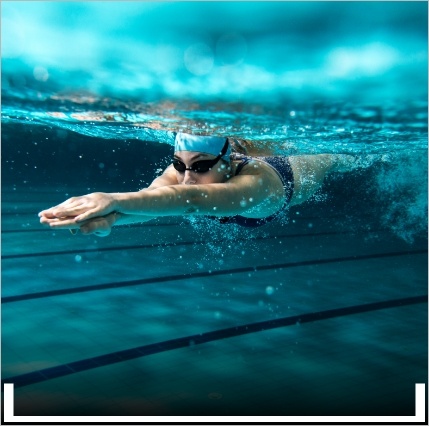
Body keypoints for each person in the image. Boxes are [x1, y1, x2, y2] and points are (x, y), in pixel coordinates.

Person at [38, 132, 356, 236]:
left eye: (201, 166)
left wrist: (109, 198)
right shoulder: (185, 171)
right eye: (180, 164)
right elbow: (152, 199)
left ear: (229, 162)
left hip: (296, 172)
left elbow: (194, 198)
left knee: (337, 157)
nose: (188, 176)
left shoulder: (256, 183)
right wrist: (110, 220)